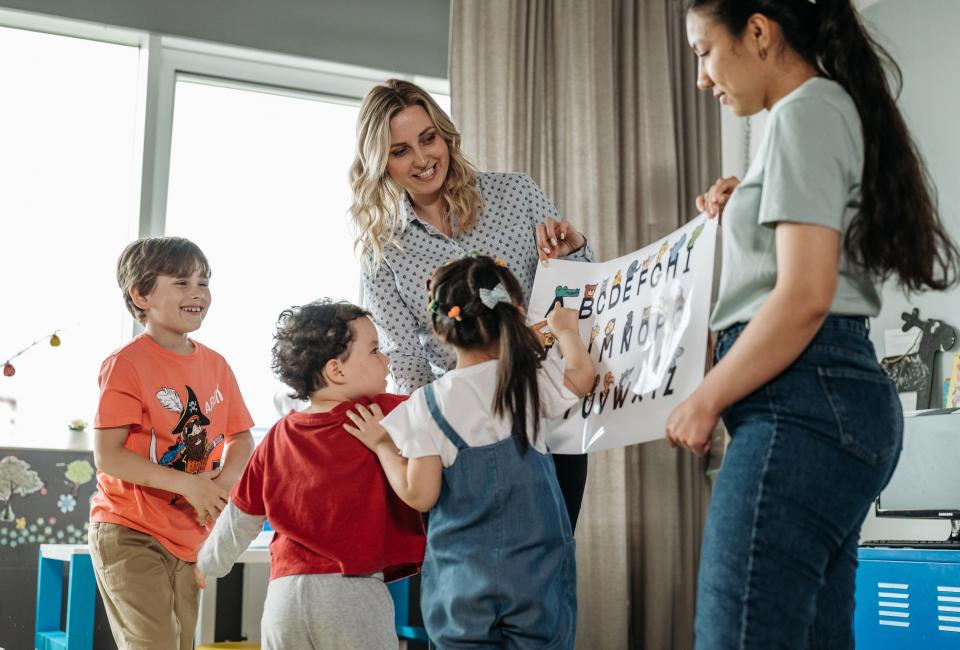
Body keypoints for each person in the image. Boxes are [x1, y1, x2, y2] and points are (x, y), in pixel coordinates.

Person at [666, 1, 960, 648]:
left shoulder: (806, 111)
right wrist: (746, 200)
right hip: (825, 400)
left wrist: (706, 398)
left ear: (760, 32)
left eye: (703, 53)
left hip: (802, 402)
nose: (702, 78)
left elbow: (803, 296)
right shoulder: (818, 113)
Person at [349, 79, 595, 529]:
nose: (423, 160)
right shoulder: (381, 252)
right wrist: (432, 432)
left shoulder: (515, 194)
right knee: (474, 570)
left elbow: (577, 293)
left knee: (549, 563)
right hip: (463, 436)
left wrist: (575, 250)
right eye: (400, 150)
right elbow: (406, 360)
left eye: (428, 139)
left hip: (550, 415)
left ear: (445, 135)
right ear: (380, 162)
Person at [345, 254, 595, 648]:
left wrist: (381, 445)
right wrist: (567, 331)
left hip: (461, 585)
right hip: (537, 575)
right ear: (514, 314)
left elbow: (420, 494)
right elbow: (582, 377)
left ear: (440, 330)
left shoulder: (426, 403)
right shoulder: (524, 380)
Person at [195, 300, 425, 649]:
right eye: (376, 350)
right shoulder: (383, 412)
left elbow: (240, 516)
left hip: (283, 597)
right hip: (352, 592)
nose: (387, 360)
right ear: (337, 371)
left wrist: (209, 563)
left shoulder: (276, 435)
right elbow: (449, 410)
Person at [89, 237, 255, 650]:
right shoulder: (125, 364)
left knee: (181, 644)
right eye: (182, 282)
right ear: (141, 294)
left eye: (204, 281)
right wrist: (187, 484)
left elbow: (242, 437)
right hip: (129, 529)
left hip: (189, 535)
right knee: (155, 643)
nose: (198, 291)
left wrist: (224, 481)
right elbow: (108, 456)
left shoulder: (217, 365)